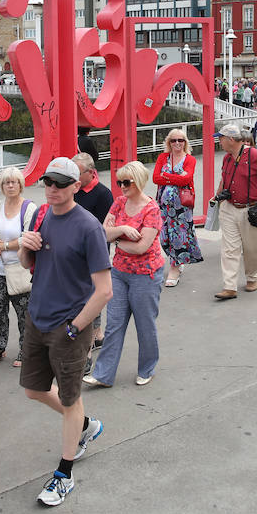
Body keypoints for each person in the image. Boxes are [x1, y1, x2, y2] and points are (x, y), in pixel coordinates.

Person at [18, 156, 113, 507]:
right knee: (33, 390)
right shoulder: (43, 217)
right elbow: (33, 266)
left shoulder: (88, 227)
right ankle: (87, 425)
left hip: (69, 327)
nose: (52, 189)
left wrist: (75, 328)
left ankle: (64, 473)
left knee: (70, 398)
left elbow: (104, 290)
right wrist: (26, 251)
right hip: (37, 317)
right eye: (48, 182)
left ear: (77, 186)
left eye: (60, 183)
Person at [84, 160, 164, 387]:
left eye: (126, 182)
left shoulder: (151, 209)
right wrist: (121, 230)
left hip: (145, 275)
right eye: (119, 182)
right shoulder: (119, 203)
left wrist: (116, 241)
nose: (122, 186)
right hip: (119, 272)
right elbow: (102, 233)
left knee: (144, 324)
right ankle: (103, 375)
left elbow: (142, 248)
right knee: (114, 324)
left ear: (138, 181)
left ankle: (147, 368)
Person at [212, 124, 257, 300]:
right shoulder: (227, 158)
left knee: (252, 248)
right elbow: (224, 178)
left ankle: (252, 277)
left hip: (250, 209)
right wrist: (217, 196)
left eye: (220, 138)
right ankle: (229, 286)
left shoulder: (254, 155)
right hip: (228, 207)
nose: (218, 141)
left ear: (230, 139)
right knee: (229, 248)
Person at [0, 167, 38, 368]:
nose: (11, 185)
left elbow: (27, 237)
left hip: (20, 268)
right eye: (7, 182)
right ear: (2, 186)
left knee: (24, 313)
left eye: (14, 182)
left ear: (21, 185)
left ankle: (27, 349)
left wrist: (4, 245)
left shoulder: (29, 208)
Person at [72, 152, 114, 372]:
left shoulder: (103, 194)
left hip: (93, 256)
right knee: (84, 299)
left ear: (90, 172)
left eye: (76, 173)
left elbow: (104, 230)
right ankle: (96, 335)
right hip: (73, 256)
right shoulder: (72, 189)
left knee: (90, 299)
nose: (73, 178)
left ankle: (86, 351)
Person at [152, 129, 203, 287]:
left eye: (180, 140)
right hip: (164, 204)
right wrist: (175, 178)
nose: (177, 143)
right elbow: (155, 178)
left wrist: (165, 176)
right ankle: (177, 259)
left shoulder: (190, 160)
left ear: (185, 142)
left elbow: (186, 179)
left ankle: (174, 267)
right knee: (164, 236)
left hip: (182, 206)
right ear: (169, 142)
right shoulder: (163, 157)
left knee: (178, 236)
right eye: (173, 140)